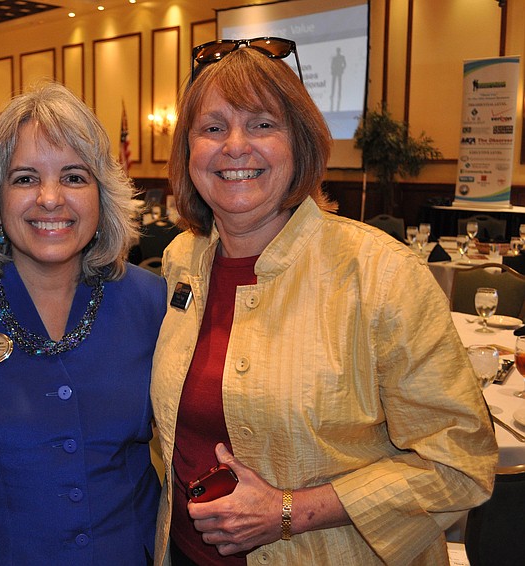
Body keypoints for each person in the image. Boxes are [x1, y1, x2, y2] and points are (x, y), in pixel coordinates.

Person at [150, 38, 498, 565]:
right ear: (188, 152)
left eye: (262, 124)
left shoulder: (380, 274)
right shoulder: (181, 261)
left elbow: (460, 463)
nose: (235, 146)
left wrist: (290, 510)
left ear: (301, 143)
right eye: (213, 128)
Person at [0, 81, 164, 565]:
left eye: (74, 177)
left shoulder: (152, 302)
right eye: (25, 179)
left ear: (102, 196)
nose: (51, 198)